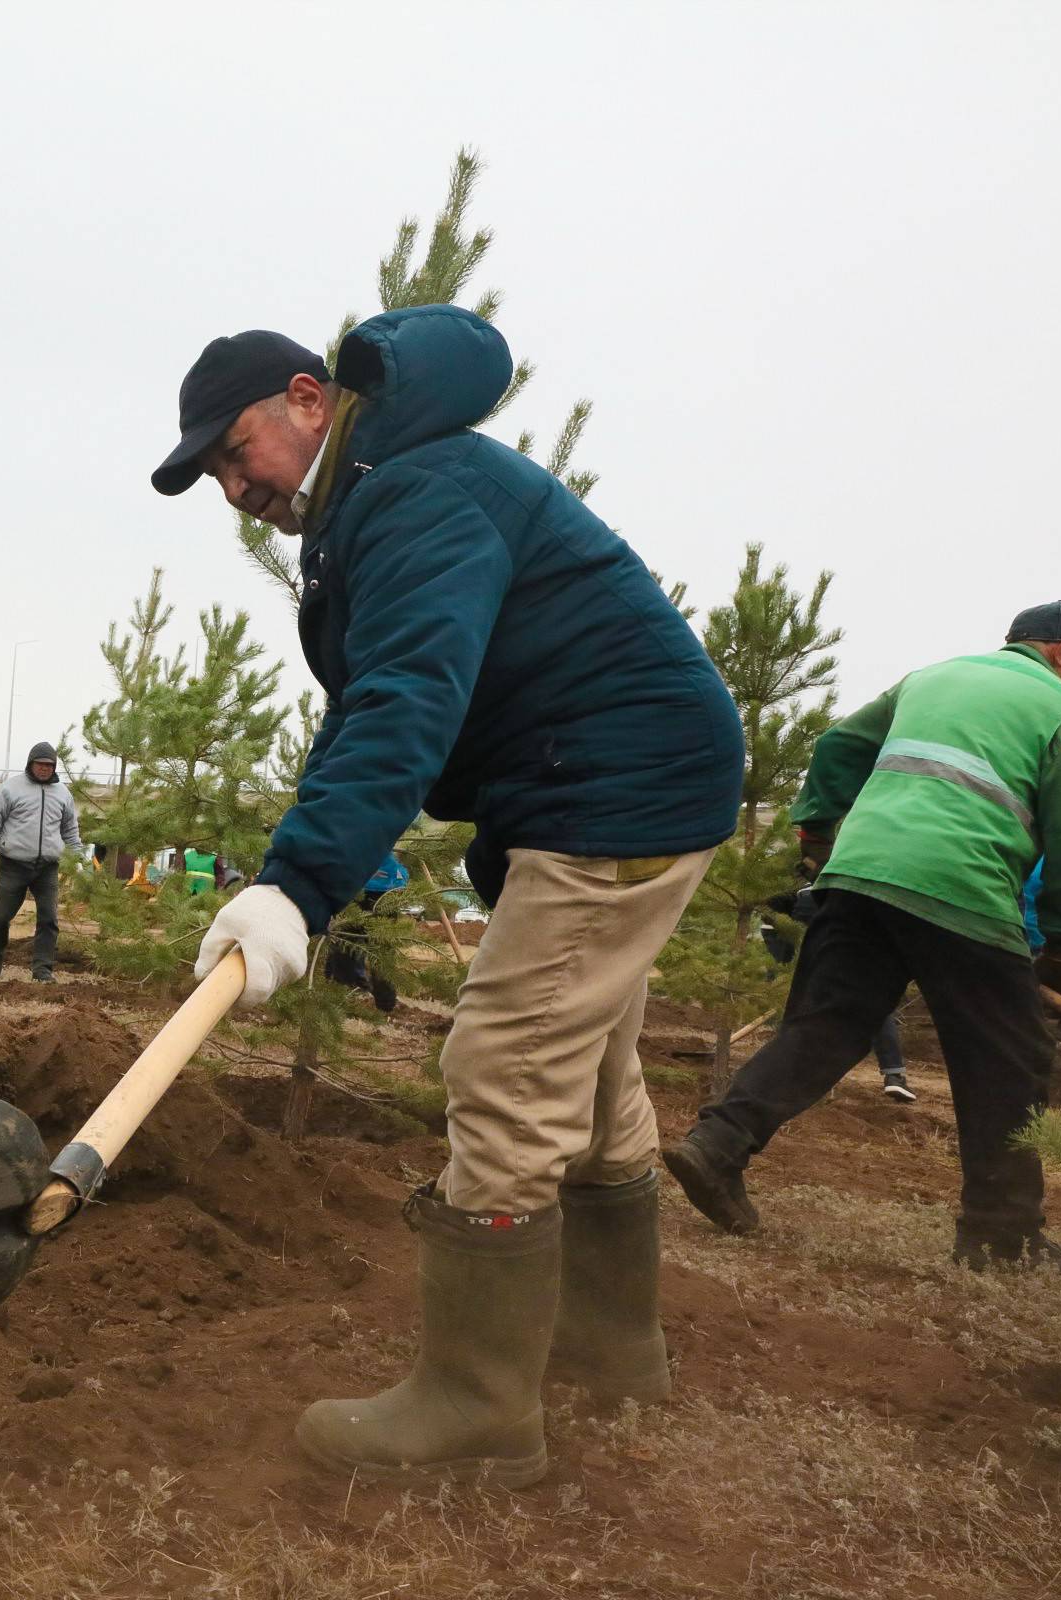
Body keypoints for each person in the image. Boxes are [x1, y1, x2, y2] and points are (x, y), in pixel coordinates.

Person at [152, 308, 744, 1485]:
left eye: (235, 451)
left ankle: (477, 1407)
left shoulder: (416, 493)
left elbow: (408, 701)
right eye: (214, 473)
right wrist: (285, 881)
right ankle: (612, 1346)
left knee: (505, 1061)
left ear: (308, 400)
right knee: (587, 1064)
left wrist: (300, 886)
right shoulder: (385, 494)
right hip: (613, 784)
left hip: (611, 793)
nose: (235, 488)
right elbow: (361, 710)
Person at [665, 603, 1061, 1274]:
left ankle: (718, 1144)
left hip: (860, 876)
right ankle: (1002, 1239)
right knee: (1010, 1061)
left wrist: (819, 837)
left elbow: (837, 747)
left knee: (826, 1026)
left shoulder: (931, 679)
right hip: (963, 886)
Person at [763, 886, 914, 1102]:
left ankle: (787, 1069)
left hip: (798, 918)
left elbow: (771, 901)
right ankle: (894, 1075)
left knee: (795, 994)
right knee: (873, 998)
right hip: (826, 913)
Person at [0, 741, 82, 981]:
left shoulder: (63, 794)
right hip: (14, 865)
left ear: (54, 767)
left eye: (49, 765)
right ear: (30, 764)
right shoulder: (10, 789)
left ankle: (42, 971)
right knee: (1, 917)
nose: (44, 768)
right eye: (40, 764)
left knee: (49, 919)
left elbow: (70, 829)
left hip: (47, 868)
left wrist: (76, 857)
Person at [323, 850, 410, 1015]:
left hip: (363, 889)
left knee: (347, 944)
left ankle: (353, 995)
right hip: (380, 890)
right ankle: (379, 1001)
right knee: (377, 949)